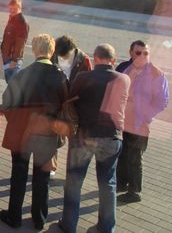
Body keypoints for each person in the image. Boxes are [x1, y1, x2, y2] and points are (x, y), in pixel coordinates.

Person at [59, 44, 130, 233]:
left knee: (74, 181)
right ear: (114, 60)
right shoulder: (123, 79)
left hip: (84, 135)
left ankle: (69, 224)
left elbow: (70, 99)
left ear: (95, 58)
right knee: (108, 184)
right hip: (112, 136)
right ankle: (106, 227)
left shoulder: (83, 77)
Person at [0, 34, 68, 230]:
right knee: (42, 177)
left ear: (35, 50)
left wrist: (16, 122)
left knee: (19, 174)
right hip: (47, 134)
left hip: (23, 132)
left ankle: (14, 216)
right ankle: (39, 218)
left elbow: (7, 102)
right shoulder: (60, 76)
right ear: (52, 51)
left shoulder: (24, 74)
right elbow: (67, 107)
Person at [116, 40, 169, 203]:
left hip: (139, 123)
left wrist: (146, 115)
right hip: (121, 119)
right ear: (131, 53)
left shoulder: (155, 73)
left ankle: (134, 192)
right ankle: (121, 183)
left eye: (145, 53)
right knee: (121, 153)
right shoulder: (123, 68)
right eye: (138, 52)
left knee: (135, 157)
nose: (142, 56)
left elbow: (162, 101)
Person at [1, 0, 30, 83]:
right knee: (9, 82)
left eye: (14, 9)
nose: (12, 11)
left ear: (20, 8)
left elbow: (20, 44)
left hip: (13, 59)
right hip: (7, 57)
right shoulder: (12, 19)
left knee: (13, 84)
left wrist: (14, 60)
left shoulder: (22, 22)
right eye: (10, 8)